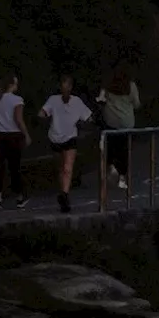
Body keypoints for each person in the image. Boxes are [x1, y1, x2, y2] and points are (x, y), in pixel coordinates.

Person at [39, 74, 93, 214]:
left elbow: (88, 116)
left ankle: (65, 195)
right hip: (55, 137)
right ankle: (62, 191)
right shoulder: (53, 100)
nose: (65, 90)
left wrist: (87, 122)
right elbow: (43, 112)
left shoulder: (77, 102)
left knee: (68, 167)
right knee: (60, 168)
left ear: (71, 88)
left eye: (67, 87)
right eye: (63, 87)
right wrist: (43, 117)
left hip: (70, 137)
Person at [0, 72, 30, 210]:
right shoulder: (17, 100)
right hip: (13, 136)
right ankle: (19, 197)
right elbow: (18, 119)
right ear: (12, 85)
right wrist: (26, 134)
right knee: (15, 167)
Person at [97, 67, 141, 190]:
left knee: (110, 147)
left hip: (111, 122)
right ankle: (122, 177)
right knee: (124, 150)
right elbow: (137, 104)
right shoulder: (131, 86)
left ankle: (111, 166)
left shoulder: (107, 85)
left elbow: (101, 100)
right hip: (127, 123)